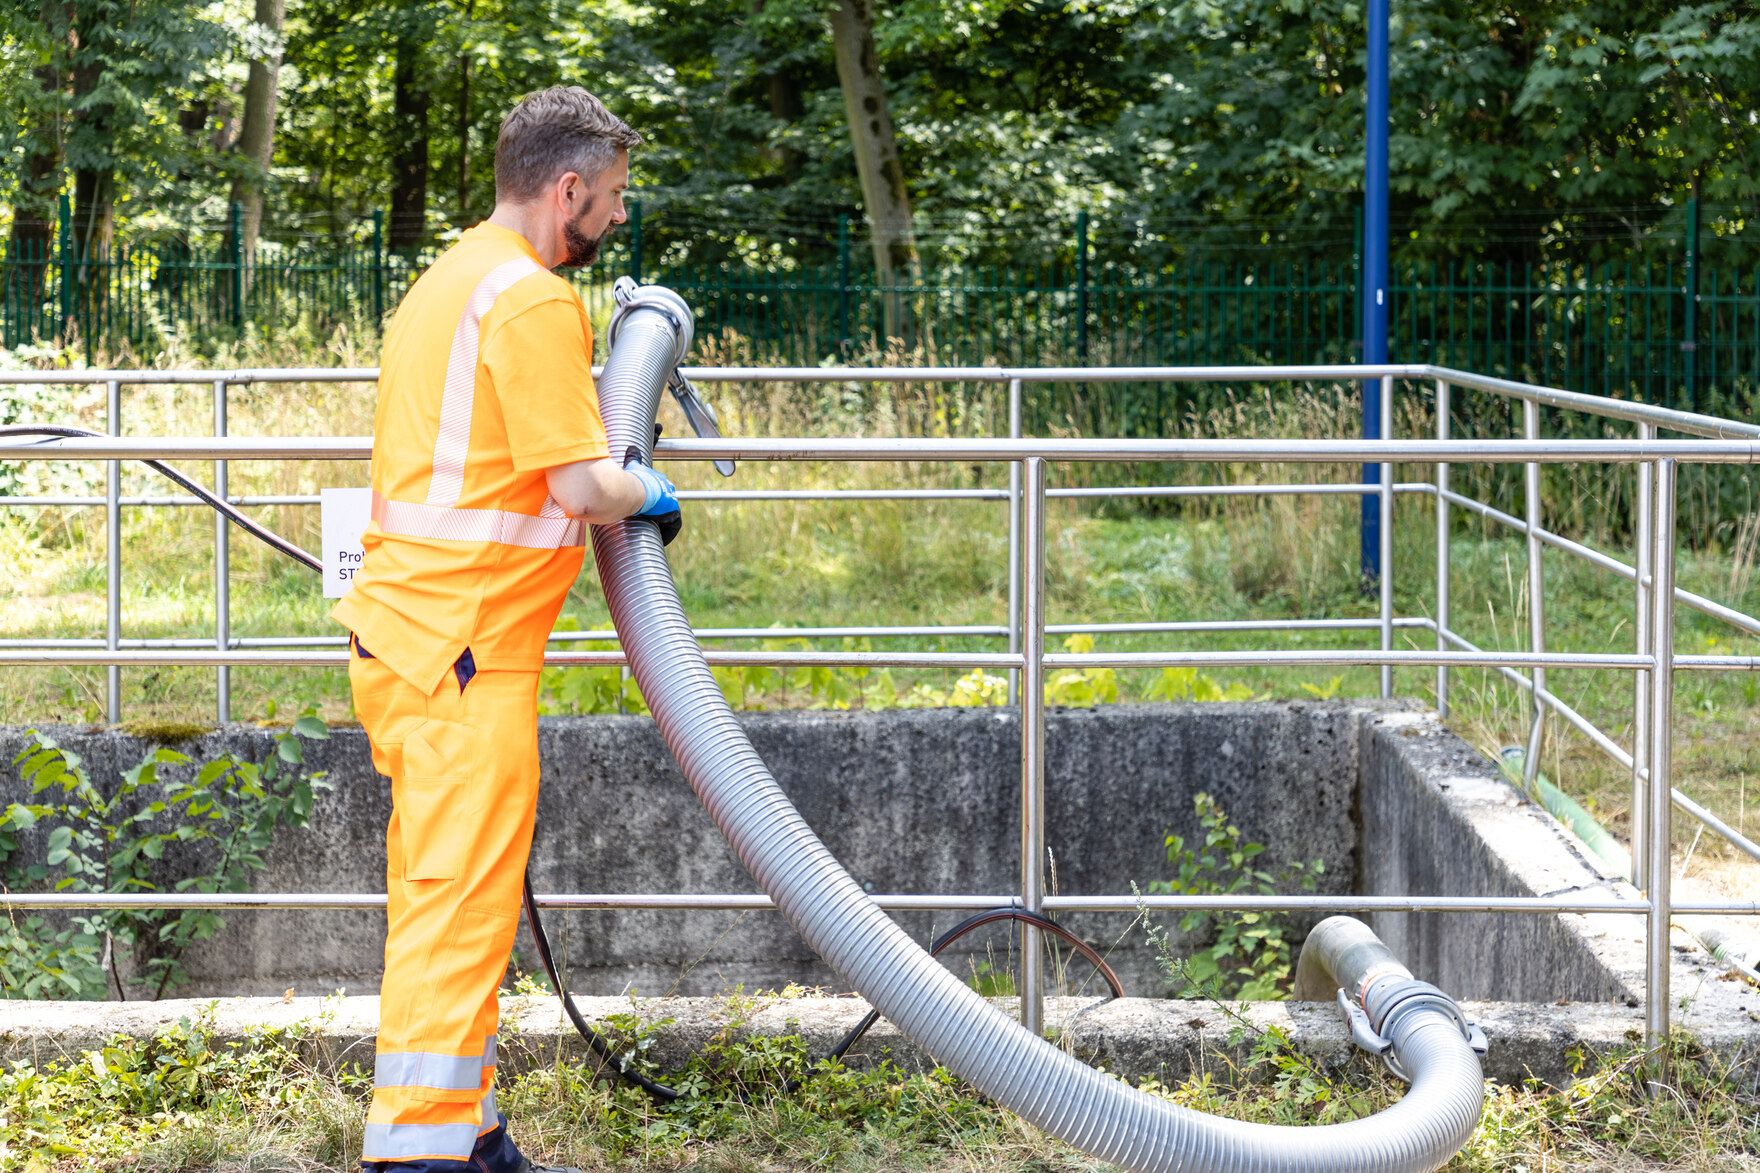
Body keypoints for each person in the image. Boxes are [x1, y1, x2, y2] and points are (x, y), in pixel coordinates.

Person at [331, 86, 679, 1173]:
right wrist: (643, 490)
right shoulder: (529, 300)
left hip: (416, 640)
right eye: (611, 198)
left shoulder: (449, 277)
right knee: (453, 909)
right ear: (567, 187)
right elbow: (580, 484)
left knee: (454, 897)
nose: (615, 219)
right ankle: (422, 1155)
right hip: (463, 655)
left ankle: (468, 1133)